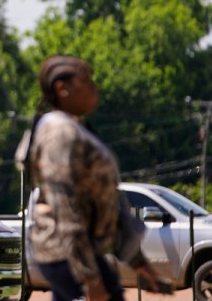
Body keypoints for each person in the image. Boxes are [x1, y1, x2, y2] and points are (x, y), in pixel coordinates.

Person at [17, 55, 161, 301]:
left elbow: (102, 198)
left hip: (71, 253)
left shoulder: (75, 129)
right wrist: (89, 277)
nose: (94, 88)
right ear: (63, 89)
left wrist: (135, 259)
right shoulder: (59, 134)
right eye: (86, 81)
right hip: (64, 253)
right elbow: (64, 205)